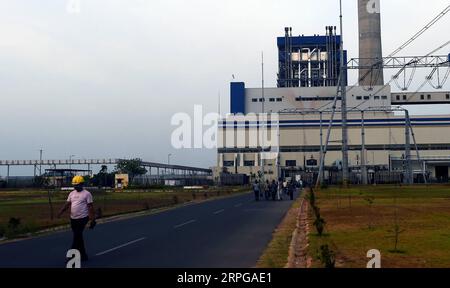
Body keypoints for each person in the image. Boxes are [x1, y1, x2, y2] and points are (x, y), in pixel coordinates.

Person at [58, 175, 96, 261]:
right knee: (78, 236)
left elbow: (90, 207)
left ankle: (71, 255)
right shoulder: (72, 193)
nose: (75, 186)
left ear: (82, 184)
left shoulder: (87, 194)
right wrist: (61, 212)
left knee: (76, 236)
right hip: (73, 218)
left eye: (77, 185)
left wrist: (93, 219)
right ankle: (83, 255)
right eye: (74, 185)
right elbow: (67, 204)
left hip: (83, 218)